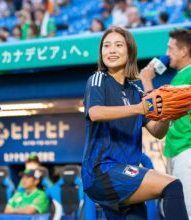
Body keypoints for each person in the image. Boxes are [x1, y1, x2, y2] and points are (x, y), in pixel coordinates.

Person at [81, 26, 189, 220]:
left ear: (130, 51)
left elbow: (157, 132)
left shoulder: (136, 92)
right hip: (102, 170)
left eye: (118, 45)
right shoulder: (98, 79)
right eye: (106, 46)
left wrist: (168, 113)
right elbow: (95, 113)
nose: (111, 50)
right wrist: (139, 108)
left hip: (124, 175)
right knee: (172, 185)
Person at [140, 28, 191, 219]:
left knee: (185, 211)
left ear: (184, 51)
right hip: (177, 150)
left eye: (170, 49)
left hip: (187, 149)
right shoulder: (180, 76)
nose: (166, 55)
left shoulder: (189, 74)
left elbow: (159, 109)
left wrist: (146, 81)